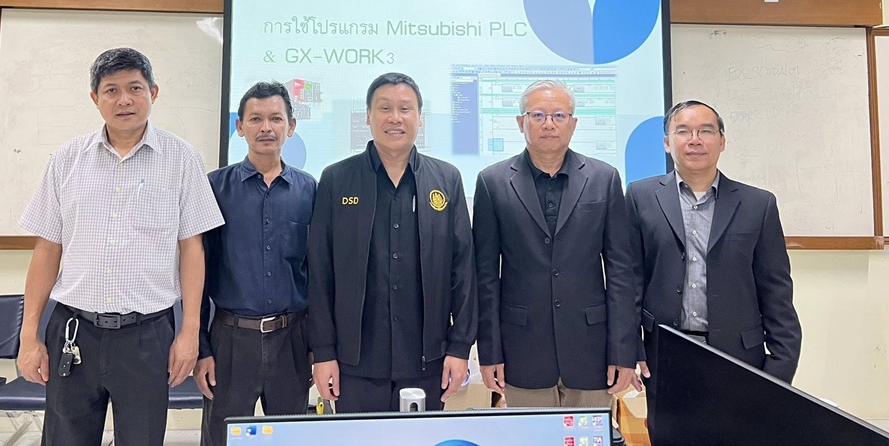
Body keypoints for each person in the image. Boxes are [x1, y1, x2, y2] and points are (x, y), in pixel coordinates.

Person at [17, 48, 224, 446]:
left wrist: (190, 333)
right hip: (74, 331)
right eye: (111, 90)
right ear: (95, 98)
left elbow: (192, 250)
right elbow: (46, 250)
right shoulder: (67, 159)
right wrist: (30, 336)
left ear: (153, 93)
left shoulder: (182, 159)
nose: (124, 99)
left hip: (147, 336)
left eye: (135, 88)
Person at [626, 100, 801, 431]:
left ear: (722, 141)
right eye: (683, 131)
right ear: (667, 142)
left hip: (740, 360)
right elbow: (631, 280)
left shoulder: (758, 204)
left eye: (706, 131)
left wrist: (779, 371)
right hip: (666, 357)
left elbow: (776, 291)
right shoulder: (640, 196)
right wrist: (629, 350)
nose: (695, 140)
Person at [308, 72, 476, 412]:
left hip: (428, 359)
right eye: (384, 108)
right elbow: (320, 273)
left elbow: (463, 270)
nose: (395, 118)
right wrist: (323, 353)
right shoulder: (336, 179)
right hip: (354, 363)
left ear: (420, 118)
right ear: (368, 117)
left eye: (405, 109)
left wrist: (460, 348)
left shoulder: (446, 179)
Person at [473, 79, 640, 408]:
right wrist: (489, 352)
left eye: (559, 115)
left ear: (573, 124)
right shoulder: (492, 182)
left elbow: (621, 272)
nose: (549, 124)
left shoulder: (604, 178)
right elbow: (485, 276)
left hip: (593, 350)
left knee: (591, 434)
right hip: (522, 349)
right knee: (530, 434)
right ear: (521, 122)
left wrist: (623, 351)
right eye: (537, 115)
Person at [195, 82, 315, 445]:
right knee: (222, 438)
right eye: (255, 119)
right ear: (240, 126)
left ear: (291, 127)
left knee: (290, 439)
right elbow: (197, 276)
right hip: (230, 342)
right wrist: (202, 349)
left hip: (292, 340)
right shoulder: (214, 188)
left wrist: (318, 345)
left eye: (276, 118)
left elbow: (319, 275)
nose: (266, 127)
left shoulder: (310, 190)